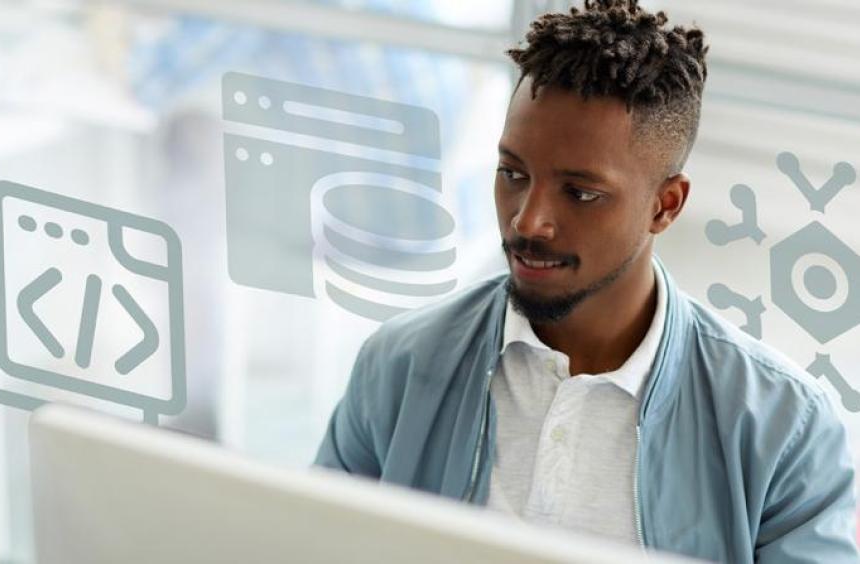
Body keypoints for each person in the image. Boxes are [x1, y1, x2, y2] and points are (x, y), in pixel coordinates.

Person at [314, 1, 859, 562]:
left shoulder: (784, 426)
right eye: (513, 174)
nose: (528, 220)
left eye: (580, 193)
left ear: (665, 206)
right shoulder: (399, 367)